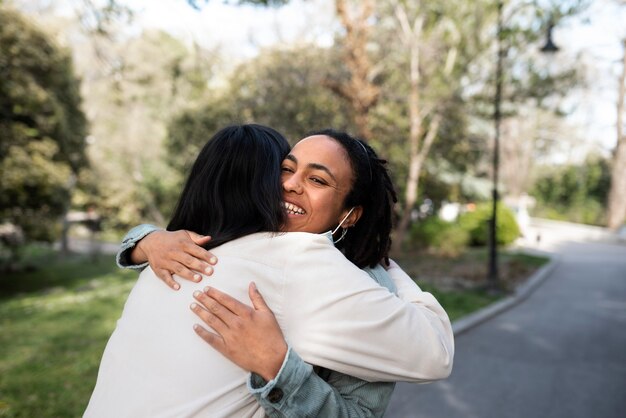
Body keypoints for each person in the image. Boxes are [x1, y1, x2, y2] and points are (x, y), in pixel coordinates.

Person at [86, 125, 453, 417]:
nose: (290, 185)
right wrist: (146, 240)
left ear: (350, 214)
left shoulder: (182, 257)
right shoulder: (276, 257)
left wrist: (145, 240)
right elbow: (436, 352)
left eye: (318, 180)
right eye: (287, 169)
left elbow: (430, 357)